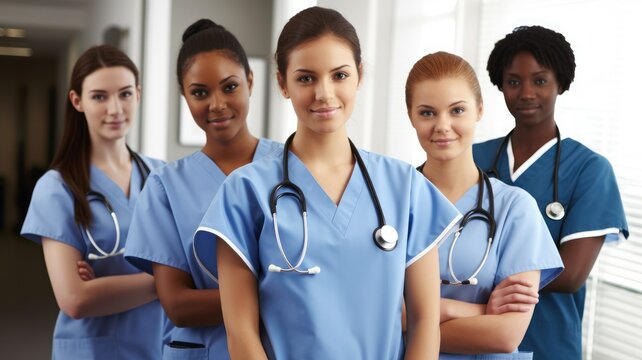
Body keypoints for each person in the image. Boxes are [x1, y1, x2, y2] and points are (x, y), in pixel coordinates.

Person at [193, 6, 461, 360]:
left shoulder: (405, 187)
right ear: (282, 83)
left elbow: (425, 322)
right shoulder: (245, 191)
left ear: (359, 76)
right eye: (306, 78)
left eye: (339, 75)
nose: (324, 93)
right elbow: (241, 333)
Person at [123, 19, 281, 359]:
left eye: (229, 87)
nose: (217, 104)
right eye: (200, 92)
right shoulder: (165, 187)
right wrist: (283, 296)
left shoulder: (292, 167)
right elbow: (178, 306)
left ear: (250, 81)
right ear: (184, 95)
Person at [473, 25, 629, 360]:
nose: (526, 92)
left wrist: (473, 274)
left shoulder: (590, 169)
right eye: (514, 81)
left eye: (540, 80)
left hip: (548, 345)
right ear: (501, 86)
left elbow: (570, 273)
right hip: (471, 338)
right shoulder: (472, 158)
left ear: (560, 82)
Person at [406, 51, 564, 359]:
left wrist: (419, 316)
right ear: (410, 115)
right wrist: (478, 310)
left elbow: (505, 335)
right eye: (427, 113)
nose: (442, 125)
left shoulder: (515, 209)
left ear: (479, 110)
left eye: (457, 110)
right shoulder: (388, 201)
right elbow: (367, 315)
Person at [20, 45, 165, 359]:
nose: (115, 109)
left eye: (125, 94)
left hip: (158, 344)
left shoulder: (163, 176)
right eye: (100, 96)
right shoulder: (57, 188)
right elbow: (74, 299)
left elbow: (193, 263)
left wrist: (107, 285)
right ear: (77, 101)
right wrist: (165, 282)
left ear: (138, 95)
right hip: (94, 350)